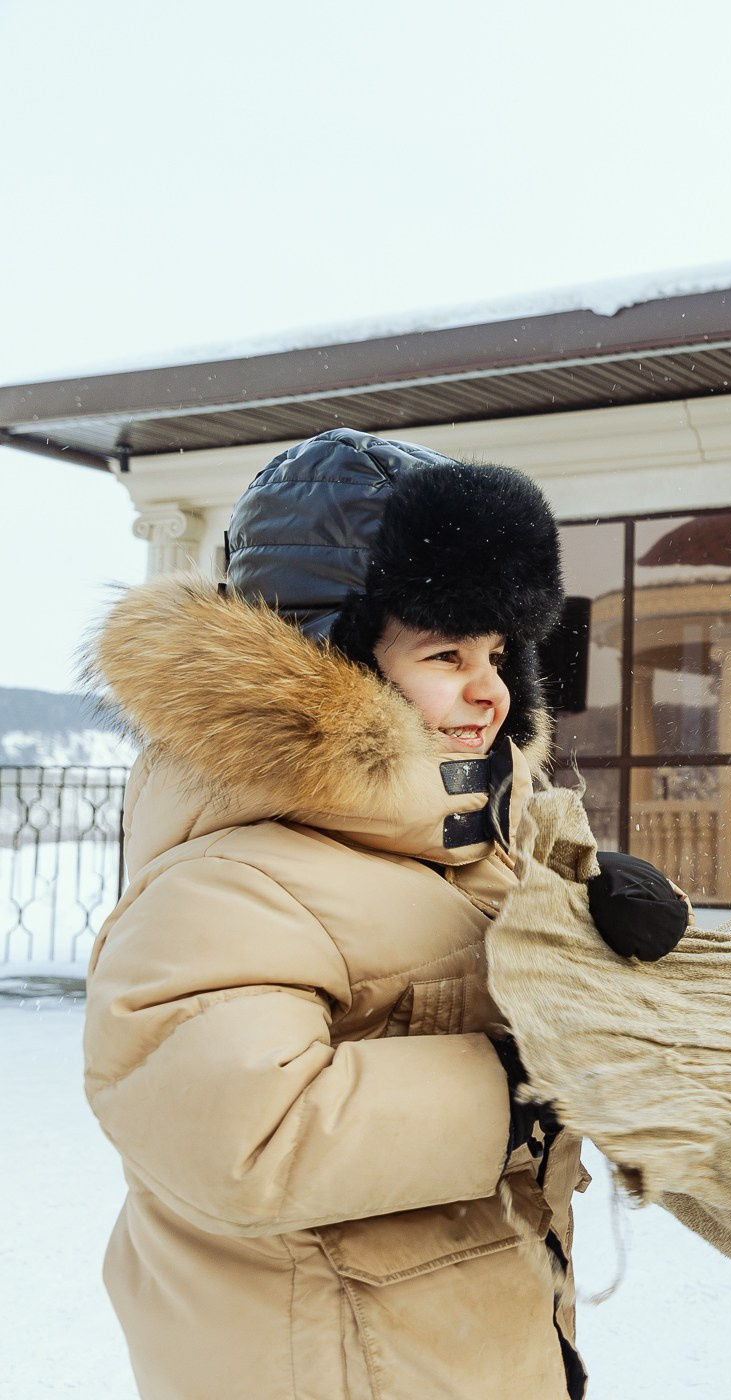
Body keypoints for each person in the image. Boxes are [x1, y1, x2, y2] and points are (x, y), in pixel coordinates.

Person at [82, 430, 593, 1399]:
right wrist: (526, 1078)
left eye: (498, 652)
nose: (485, 687)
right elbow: (245, 1134)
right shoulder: (233, 877)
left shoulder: (469, 854)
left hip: (467, 1346)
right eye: (445, 651)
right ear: (334, 663)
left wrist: (593, 914)